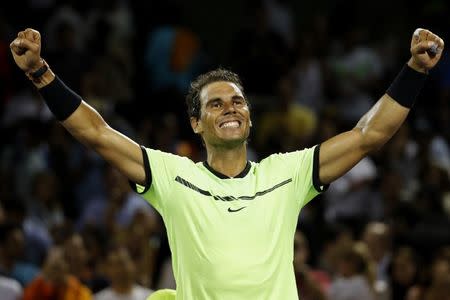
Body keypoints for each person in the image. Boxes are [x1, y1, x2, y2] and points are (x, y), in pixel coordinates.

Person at [9, 27, 444, 299]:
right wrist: (41, 74)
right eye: (215, 104)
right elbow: (96, 133)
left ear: (250, 116)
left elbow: (370, 135)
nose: (230, 108)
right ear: (196, 124)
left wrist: (414, 69)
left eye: (237, 101)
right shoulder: (172, 175)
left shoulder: (286, 174)